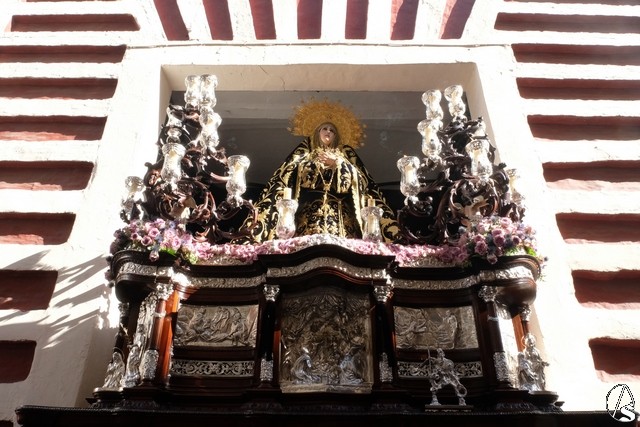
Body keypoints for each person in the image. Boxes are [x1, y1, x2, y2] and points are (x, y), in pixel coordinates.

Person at [246, 99, 399, 243]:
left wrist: (338, 164)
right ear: (317, 133)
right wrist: (314, 164)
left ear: (336, 136)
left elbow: (361, 181)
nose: (328, 132)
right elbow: (293, 176)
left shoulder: (345, 155)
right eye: (324, 129)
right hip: (309, 215)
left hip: (341, 216)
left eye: (332, 130)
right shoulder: (305, 154)